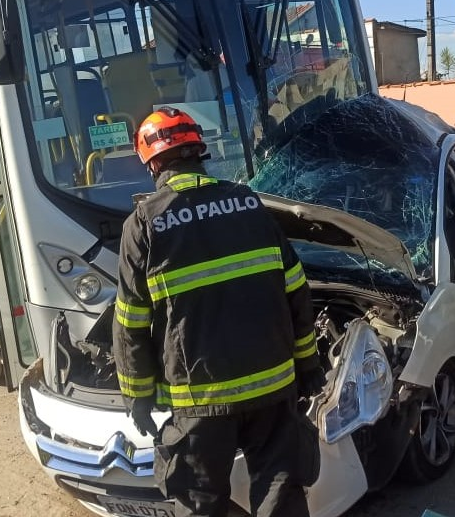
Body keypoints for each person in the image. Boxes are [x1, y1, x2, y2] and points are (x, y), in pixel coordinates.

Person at [112, 106, 325, 516]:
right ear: (198, 151)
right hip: (273, 389)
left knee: (200, 504)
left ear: (153, 162)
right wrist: (308, 364)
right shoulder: (248, 203)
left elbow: (131, 322)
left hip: (199, 400)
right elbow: (296, 290)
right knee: (282, 496)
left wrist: (136, 395)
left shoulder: (144, 224)